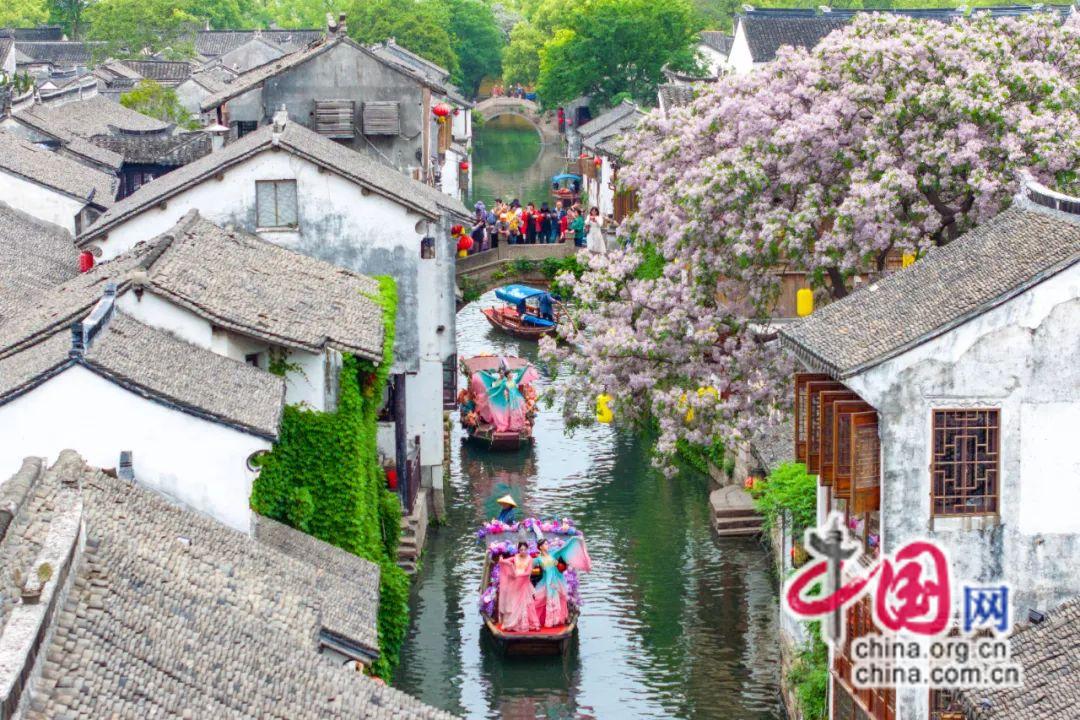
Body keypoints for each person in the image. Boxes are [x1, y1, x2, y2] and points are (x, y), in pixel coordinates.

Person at [532, 536, 592, 627]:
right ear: (540, 547)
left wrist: (574, 540)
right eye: (545, 544)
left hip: (555, 580)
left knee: (556, 598)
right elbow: (528, 565)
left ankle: (556, 620)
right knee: (542, 599)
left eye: (547, 543)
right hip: (546, 581)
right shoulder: (538, 559)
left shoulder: (552, 554)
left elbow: (564, 548)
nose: (547, 545)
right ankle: (547, 620)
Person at [497, 542, 540, 632]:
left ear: (527, 549)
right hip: (515, 582)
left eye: (524, 549)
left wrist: (518, 575)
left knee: (525, 603)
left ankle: (525, 624)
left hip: (524, 582)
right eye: (521, 549)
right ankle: (513, 623)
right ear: (518, 550)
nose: (523, 551)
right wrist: (502, 560)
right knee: (514, 602)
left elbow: (528, 572)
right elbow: (506, 561)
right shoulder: (515, 557)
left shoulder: (530, 559)